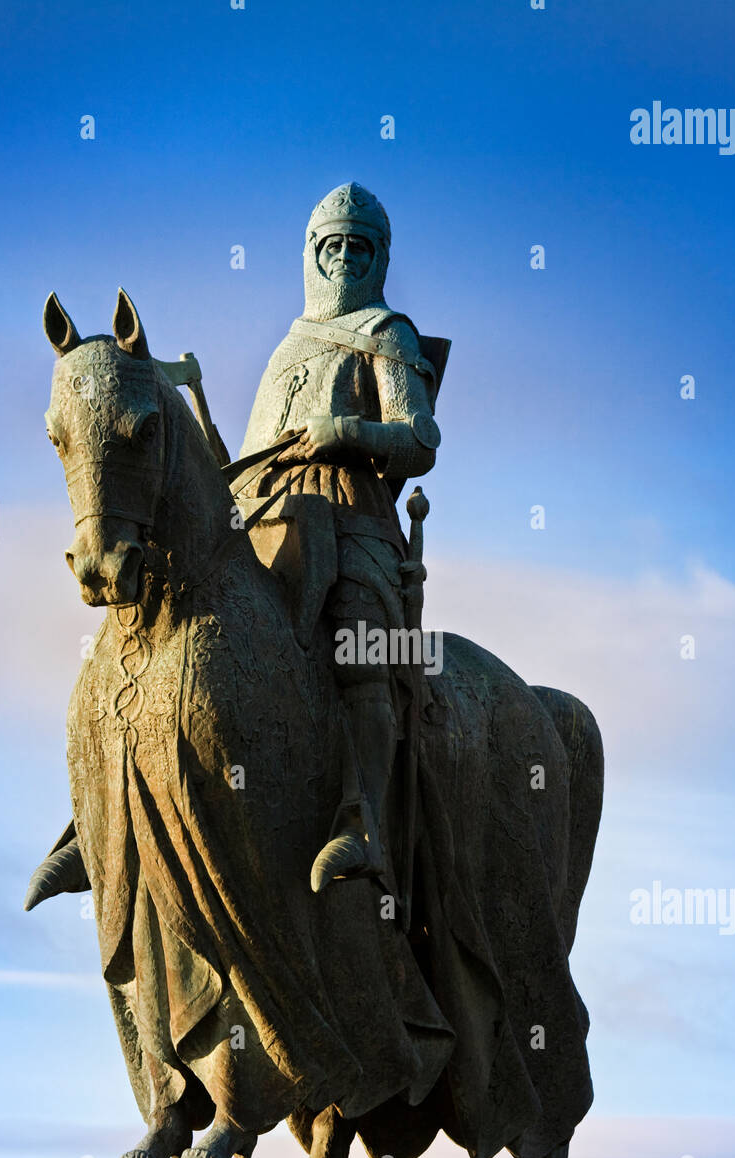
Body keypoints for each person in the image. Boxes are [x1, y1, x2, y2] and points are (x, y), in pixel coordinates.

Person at [237, 182, 444, 892]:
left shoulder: (388, 333)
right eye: (334, 245)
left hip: (353, 511)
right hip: (267, 513)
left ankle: (364, 824)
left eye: (361, 245)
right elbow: (251, 450)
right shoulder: (286, 348)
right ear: (313, 254)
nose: (346, 258)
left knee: (360, 631)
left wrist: (344, 432)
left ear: (379, 255)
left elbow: (420, 438)